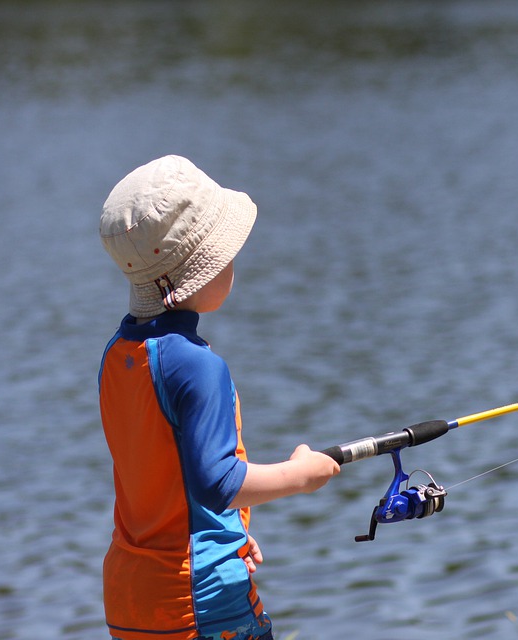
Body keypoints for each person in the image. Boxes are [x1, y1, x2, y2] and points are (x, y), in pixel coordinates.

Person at [97, 155, 340, 640]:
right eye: (225, 254)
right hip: (199, 598)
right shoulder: (197, 364)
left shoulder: (118, 355)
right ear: (198, 270)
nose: (233, 263)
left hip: (131, 593)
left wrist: (228, 530)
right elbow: (217, 480)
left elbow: (162, 475)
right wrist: (300, 476)